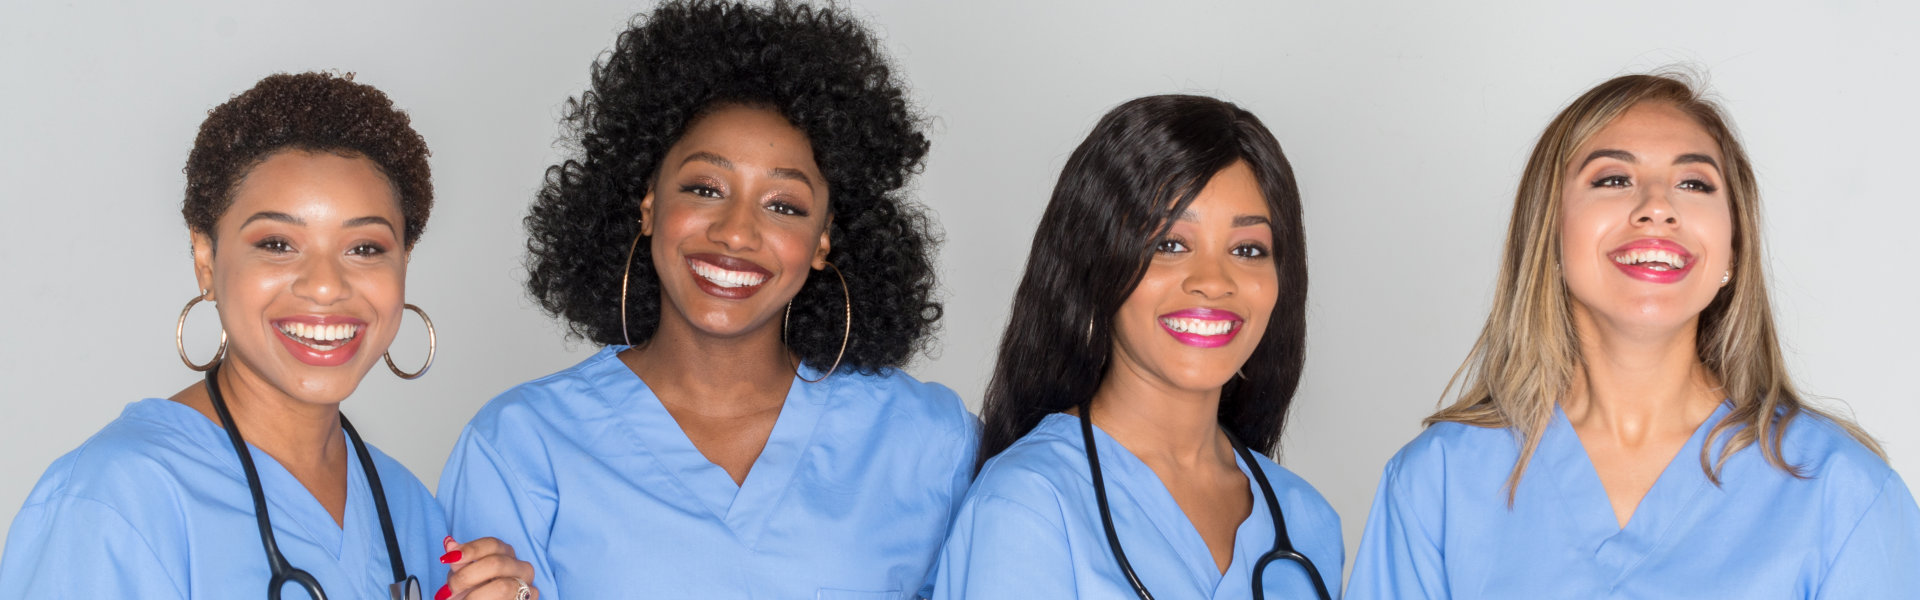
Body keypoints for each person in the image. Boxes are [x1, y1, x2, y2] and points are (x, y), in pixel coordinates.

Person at [435, 2, 974, 597]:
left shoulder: (931, 442)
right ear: (648, 205)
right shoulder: (518, 447)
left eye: (784, 205)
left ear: (823, 240)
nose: (737, 232)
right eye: (705, 188)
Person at [1347, 73, 1920, 598]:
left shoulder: (1843, 492)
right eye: (1614, 178)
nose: (1656, 207)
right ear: (1548, 232)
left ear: (1733, 248)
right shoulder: (1437, 483)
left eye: (1693, 183)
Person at [0, 72, 538, 600]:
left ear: (403, 263)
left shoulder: (408, 510)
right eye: (278, 244)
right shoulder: (114, 501)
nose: (326, 286)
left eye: (366, 248)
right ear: (206, 260)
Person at [932, 94, 1342, 599]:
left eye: (1248, 249)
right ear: (1096, 262)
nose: (1214, 281)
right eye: (1170, 243)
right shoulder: (1030, 503)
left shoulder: (1306, 521)